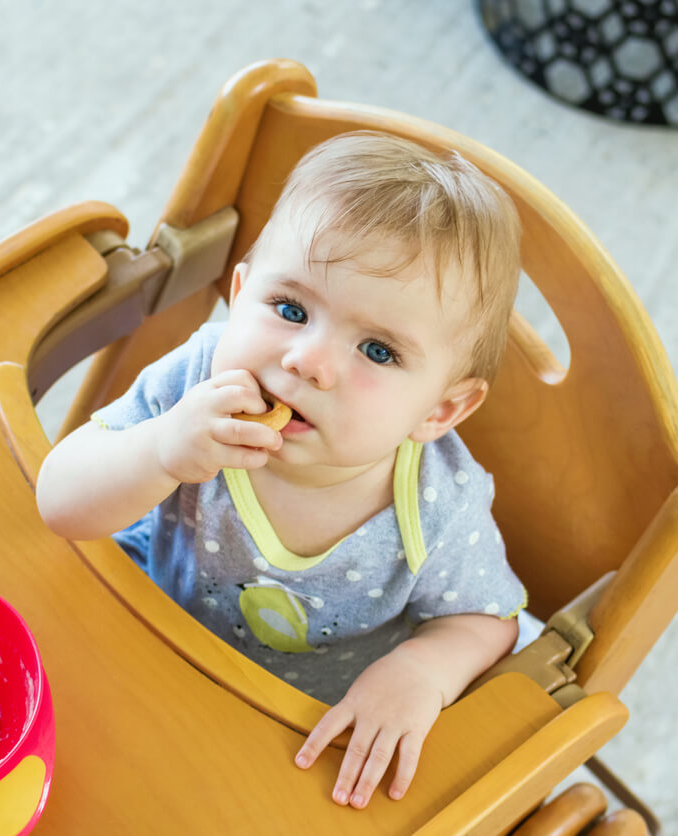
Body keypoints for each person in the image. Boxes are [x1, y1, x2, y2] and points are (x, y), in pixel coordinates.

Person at [36, 131, 528, 810]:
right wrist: (158, 451)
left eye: (378, 351)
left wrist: (421, 671)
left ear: (441, 409)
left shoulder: (437, 507)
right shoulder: (195, 384)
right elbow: (59, 502)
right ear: (239, 295)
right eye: (290, 309)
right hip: (146, 634)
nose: (307, 361)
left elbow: (486, 618)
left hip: (292, 725)